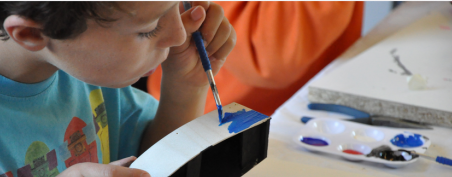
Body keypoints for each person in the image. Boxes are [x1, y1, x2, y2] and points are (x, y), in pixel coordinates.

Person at [0, 2, 235, 177]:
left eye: (178, 5)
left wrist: (185, 87)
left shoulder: (84, 67)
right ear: (30, 34)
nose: (178, 35)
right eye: (149, 29)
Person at [147, 1, 363, 116]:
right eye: (145, 30)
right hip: (177, 102)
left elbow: (274, 55)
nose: (175, 35)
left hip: (272, 117)